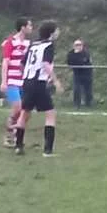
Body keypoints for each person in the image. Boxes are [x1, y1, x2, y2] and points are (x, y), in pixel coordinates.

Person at [14, 21, 66, 157]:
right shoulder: (49, 45)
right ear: (51, 33)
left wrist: (26, 76)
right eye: (57, 30)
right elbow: (46, 64)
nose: (58, 32)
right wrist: (56, 81)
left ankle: (18, 146)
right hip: (39, 83)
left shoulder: (33, 44)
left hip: (27, 82)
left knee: (24, 113)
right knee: (50, 114)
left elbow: (22, 64)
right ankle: (48, 150)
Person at [0, 19, 31, 147]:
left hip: (25, 81)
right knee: (17, 107)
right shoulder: (10, 42)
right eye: (29, 25)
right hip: (12, 81)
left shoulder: (29, 44)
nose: (31, 28)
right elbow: (5, 62)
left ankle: (17, 136)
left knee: (24, 111)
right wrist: (4, 81)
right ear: (23, 27)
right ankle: (9, 133)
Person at [66, 38, 93, 109]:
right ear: (74, 46)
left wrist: (76, 60)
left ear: (82, 45)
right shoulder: (71, 53)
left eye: (79, 45)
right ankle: (76, 104)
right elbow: (69, 62)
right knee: (76, 89)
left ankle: (88, 104)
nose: (78, 46)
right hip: (77, 73)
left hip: (87, 73)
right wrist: (76, 59)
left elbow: (83, 61)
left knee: (88, 89)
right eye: (76, 45)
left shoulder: (86, 53)